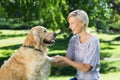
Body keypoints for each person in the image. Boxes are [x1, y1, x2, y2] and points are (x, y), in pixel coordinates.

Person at [53, 9, 100, 80]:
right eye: (69, 23)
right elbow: (67, 61)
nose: (69, 26)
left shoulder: (93, 41)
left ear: (83, 23)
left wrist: (64, 59)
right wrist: (50, 61)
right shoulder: (73, 40)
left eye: (72, 23)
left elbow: (86, 68)